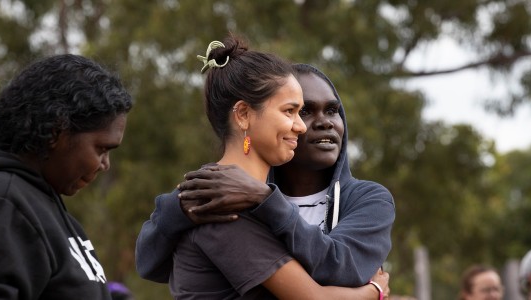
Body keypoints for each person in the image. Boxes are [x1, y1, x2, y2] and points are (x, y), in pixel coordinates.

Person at [140, 34, 389, 299]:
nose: (303, 126)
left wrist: (264, 198)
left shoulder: (366, 199)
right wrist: (374, 292)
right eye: (292, 111)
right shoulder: (221, 205)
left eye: (332, 110)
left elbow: (338, 266)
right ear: (243, 114)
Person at [0, 54, 133, 299]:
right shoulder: (2, 202)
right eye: (101, 149)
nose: (105, 164)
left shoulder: (42, 207)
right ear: (56, 132)